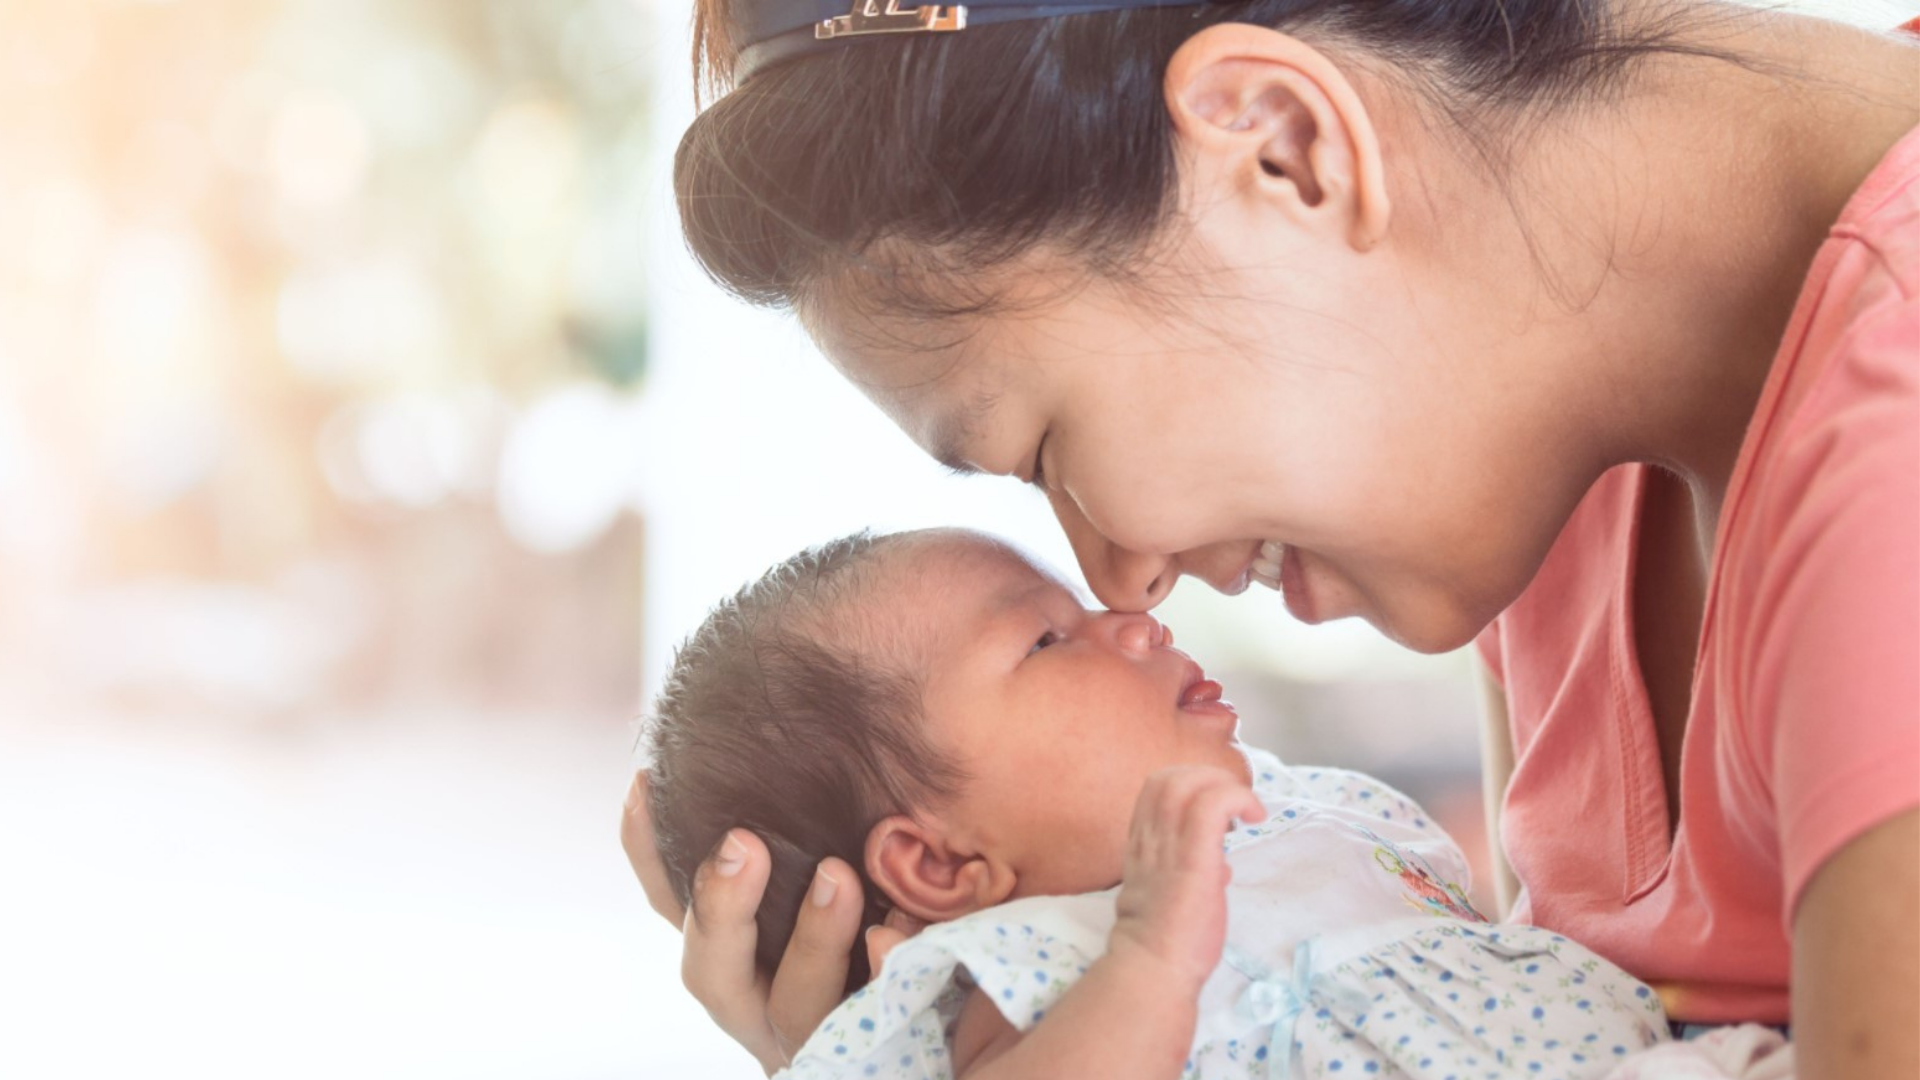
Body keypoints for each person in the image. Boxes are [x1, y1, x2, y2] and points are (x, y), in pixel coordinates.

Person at [623, 2, 1920, 1077]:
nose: (1119, 574)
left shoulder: (1887, 417)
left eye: (1046, 449)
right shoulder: (1557, 454)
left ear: (1282, 145)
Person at [644, 528, 1671, 1078]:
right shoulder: (1042, 960)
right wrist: (1149, 957)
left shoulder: (1290, 807)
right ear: (945, 865)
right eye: (1046, 641)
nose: (1129, 620)